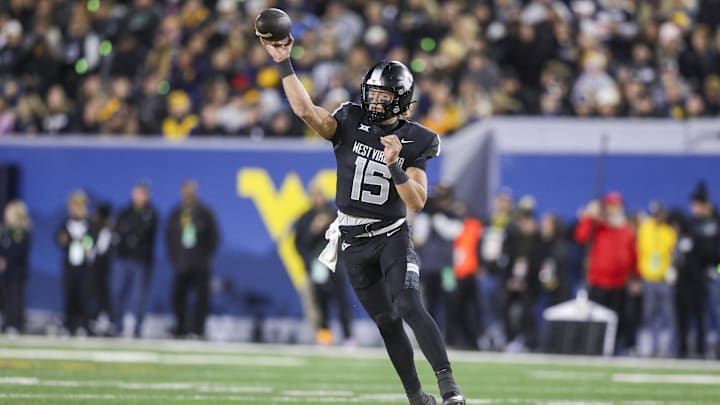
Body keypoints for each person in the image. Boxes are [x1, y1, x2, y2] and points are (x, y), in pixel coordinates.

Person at [259, 33, 465, 405]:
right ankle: (417, 397)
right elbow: (308, 112)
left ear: (400, 99)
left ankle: (450, 388)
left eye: (383, 95)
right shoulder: (349, 118)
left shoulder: (417, 140)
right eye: (371, 92)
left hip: (391, 235)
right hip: (353, 240)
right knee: (386, 322)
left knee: (408, 305)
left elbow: (417, 202)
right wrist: (284, 63)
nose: (374, 100)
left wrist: (396, 167)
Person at [294, 181, 354, 346]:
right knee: (321, 304)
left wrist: (328, 226)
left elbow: (346, 238)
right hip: (317, 267)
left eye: (320, 193)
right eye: (314, 194)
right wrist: (313, 231)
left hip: (336, 266)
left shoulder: (335, 214)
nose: (317, 197)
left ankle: (348, 338)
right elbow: (300, 244)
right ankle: (325, 337)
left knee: (342, 303)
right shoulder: (305, 218)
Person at [165, 179, 219, 339]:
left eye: (190, 191)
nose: (188, 194)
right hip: (181, 263)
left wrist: (205, 257)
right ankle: (180, 328)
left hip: (200, 263)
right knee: (178, 297)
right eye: (185, 191)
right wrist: (174, 258)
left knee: (201, 298)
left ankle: (198, 329)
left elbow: (214, 237)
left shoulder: (204, 212)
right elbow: (169, 237)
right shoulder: (176, 213)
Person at [112, 181, 158, 338]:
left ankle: (137, 329)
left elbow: (139, 233)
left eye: (142, 194)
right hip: (123, 258)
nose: (139, 197)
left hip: (141, 261)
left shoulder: (151, 213)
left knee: (138, 297)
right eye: (137, 193)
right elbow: (118, 231)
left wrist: (129, 234)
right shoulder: (124, 212)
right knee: (118, 292)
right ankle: (116, 326)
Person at [55, 191, 93, 335]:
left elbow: (92, 239)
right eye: (72, 206)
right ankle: (69, 325)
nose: (74, 209)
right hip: (69, 265)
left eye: (78, 206)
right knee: (69, 294)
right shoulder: (66, 223)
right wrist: (64, 241)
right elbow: (59, 238)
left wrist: (87, 245)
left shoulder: (89, 223)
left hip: (84, 266)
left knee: (84, 295)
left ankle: (83, 324)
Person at [0, 200, 32, 334]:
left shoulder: (23, 231)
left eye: (10, 213)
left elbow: (19, 250)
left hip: (17, 270)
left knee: (15, 297)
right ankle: (7, 322)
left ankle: (15, 323)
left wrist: (6, 260)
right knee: (5, 296)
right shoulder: (5, 230)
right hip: (5, 270)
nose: (6, 215)